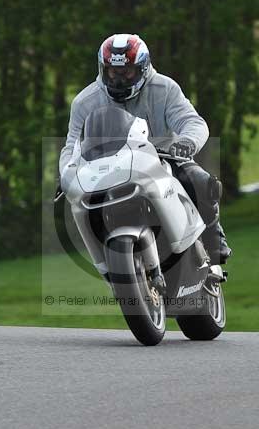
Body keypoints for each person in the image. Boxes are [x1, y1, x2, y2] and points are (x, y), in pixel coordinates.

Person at [59, 33, 231, 264]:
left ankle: (213, 236)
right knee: (85, 206)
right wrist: (66, 174)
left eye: (127, 72)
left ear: (143, 67)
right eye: (113, 72)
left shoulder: (165, 88)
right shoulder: (84, 102)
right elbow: (71, 146)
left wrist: (188, 142)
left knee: (199, 180)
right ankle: (109, 263)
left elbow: (193, 122)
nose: (119, 79)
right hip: (107, 171)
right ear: (102, 69)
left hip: (162, 160)